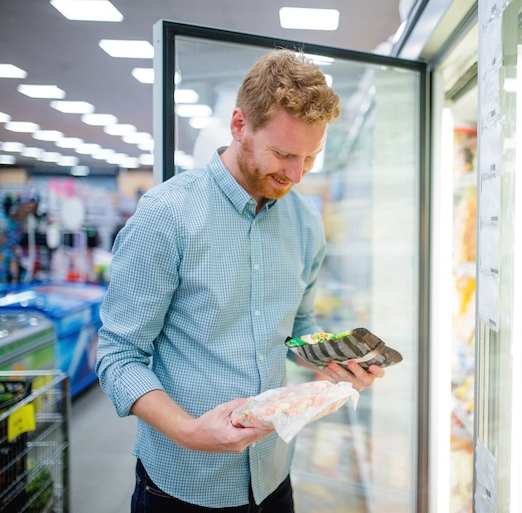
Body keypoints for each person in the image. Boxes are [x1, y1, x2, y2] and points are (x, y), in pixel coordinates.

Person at [95, 48, 386, 512]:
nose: (295, 174)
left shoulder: (305, 225)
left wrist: (334, 363)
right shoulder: (165, 217)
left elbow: (298, 329)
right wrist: (191, 431)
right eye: (283, 153)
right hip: (182, 483)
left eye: (310, 158)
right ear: (238, 126)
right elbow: (117, 356)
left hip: (273, 476)